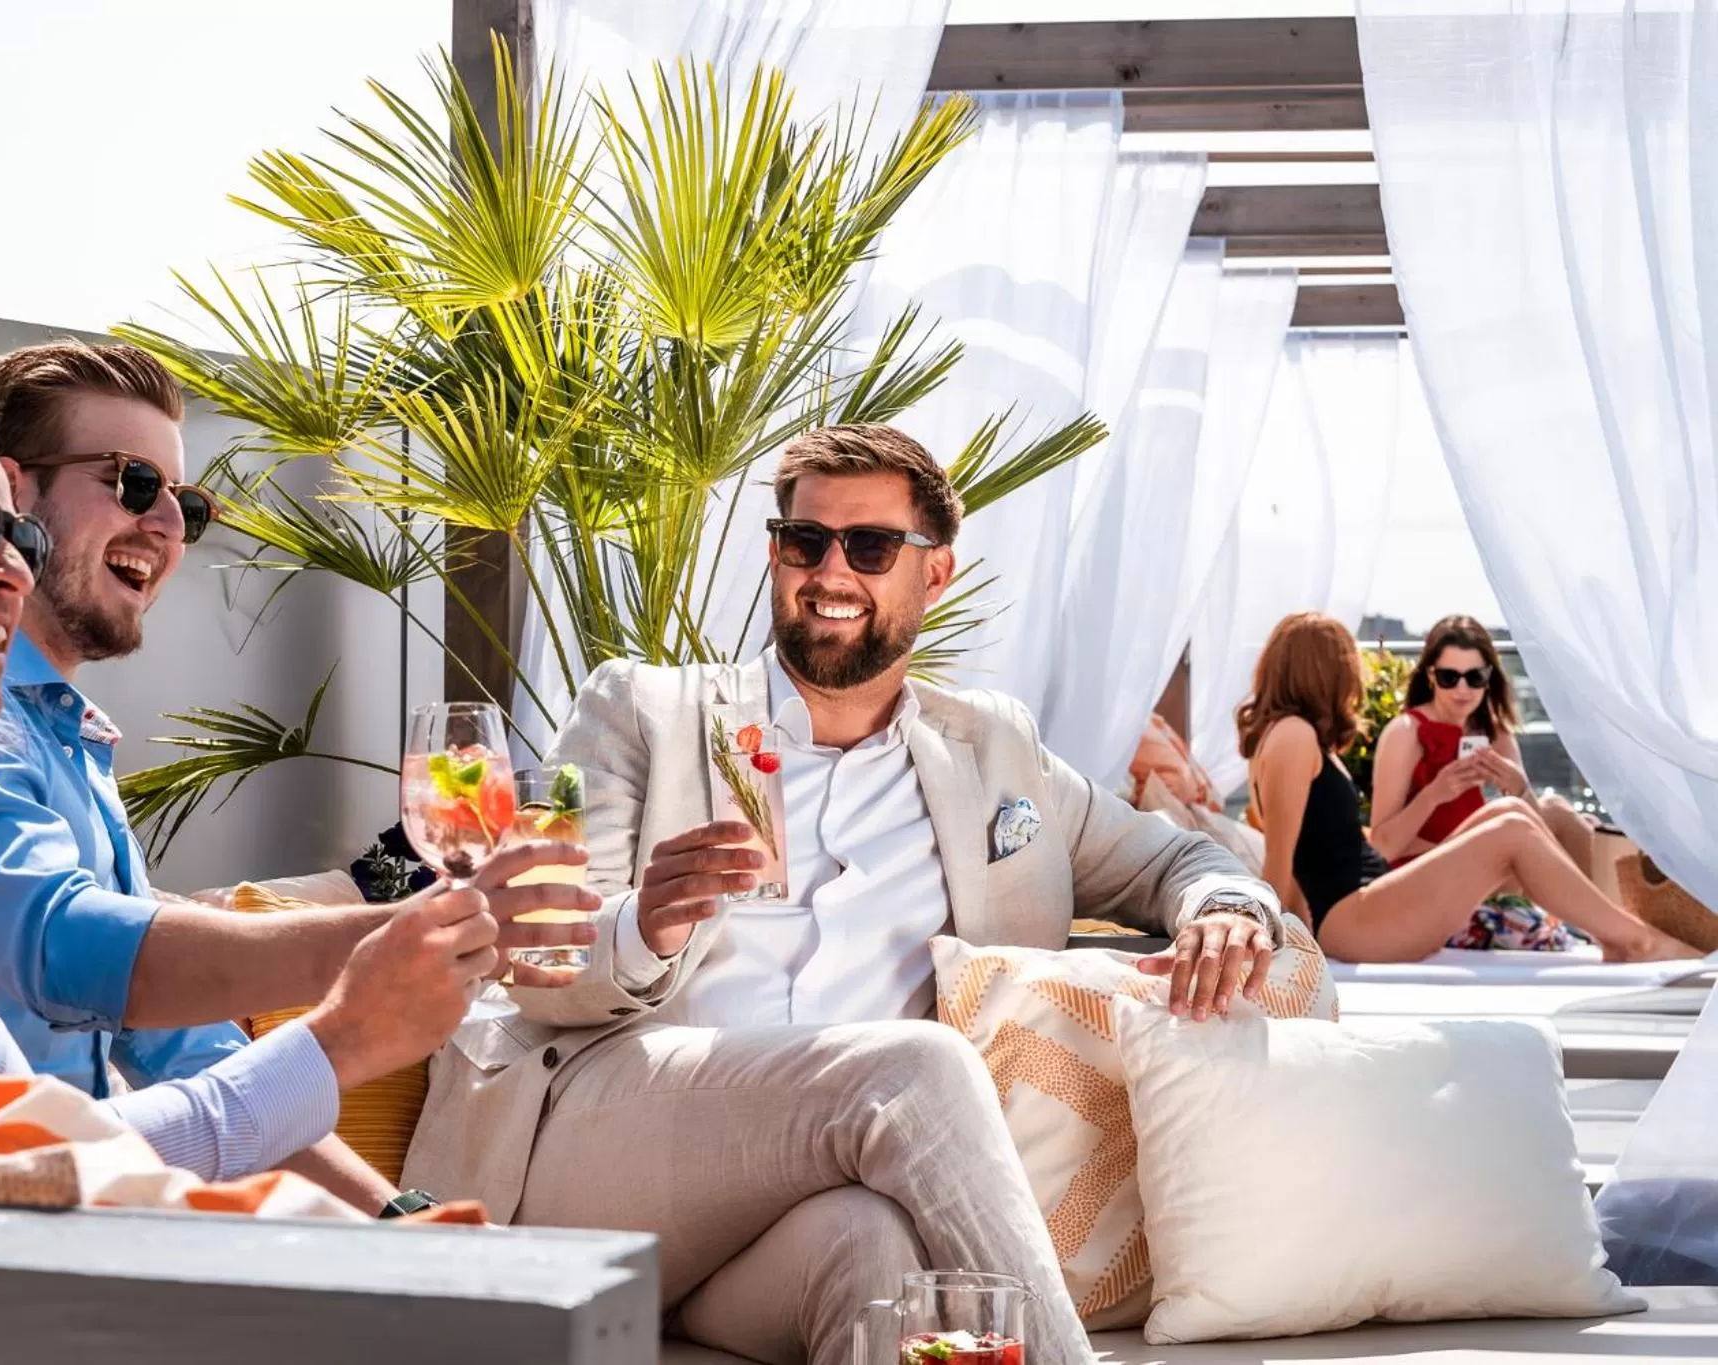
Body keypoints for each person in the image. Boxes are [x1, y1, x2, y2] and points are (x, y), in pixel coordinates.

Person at [405, 423, 1285, 1365]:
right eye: (805, 540)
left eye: (869, 546)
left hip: (798, 1214)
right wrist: (642, 927)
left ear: (934, 573)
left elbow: (1174, 859)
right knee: (918, 1065)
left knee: (879, 1259)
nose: (830, 571)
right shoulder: (645, 712)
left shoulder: (992, 751)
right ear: (776, 552)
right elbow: (537, 959)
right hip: (606, 1148)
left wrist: (1230, 908)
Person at [0, 389, 499, 1179]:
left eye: (21, 542)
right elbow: (9, 1155)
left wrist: (392, 1209)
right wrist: (345, 1033)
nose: (12, 568)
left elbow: (168, 1053)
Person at [0, 341, 597, 1212]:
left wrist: (395, 1217)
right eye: (133, 481)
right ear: (11, 493)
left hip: (79, 1205)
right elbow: (71, 951)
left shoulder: (70, 742)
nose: (168, 526)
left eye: (186, 505)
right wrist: (411, 935)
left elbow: (195, 1055)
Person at [1239, 612, 1700, 965]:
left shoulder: (1293, 736)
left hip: (1364, 907)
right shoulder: (1293, 736)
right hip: (1353, 921)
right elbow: (1280, 861)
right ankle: (1638, 941)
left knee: (1511, 814)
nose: (1355, 677)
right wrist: (1276, 951)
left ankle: (1617, 935)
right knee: (1511, 831)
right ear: (1323, 671)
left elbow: (1305, 855)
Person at [1369, 613, 1595, 872]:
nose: (1462, 690)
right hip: (1422, 872)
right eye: (1449, 677)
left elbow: (1536, 834)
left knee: (1559, 811)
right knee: (1546, 818)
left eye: (1475, 677)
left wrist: (1520, 789)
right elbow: (1382, 847)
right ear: (1431, 676)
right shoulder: (1406, 732)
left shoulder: (1495, 734)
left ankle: (1586, 898)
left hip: (1476, 865)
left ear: (1489, 679)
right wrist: (1433, 795)